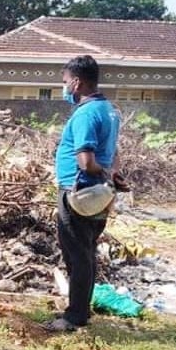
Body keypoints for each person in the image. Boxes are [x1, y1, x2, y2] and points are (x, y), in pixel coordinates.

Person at [45, 55, 122, 332]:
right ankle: (81, 309)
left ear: (77, 83)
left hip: (79, 193)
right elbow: (113, 153)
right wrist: (111, 176)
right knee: (86, 252)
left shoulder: (86, 114)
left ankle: (75, 316)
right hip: (99, 193)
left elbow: (86, 162)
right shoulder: (109, 110)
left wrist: (103, 172)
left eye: (65, 81)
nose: (64, 87)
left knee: (77, 254)